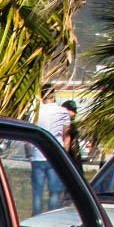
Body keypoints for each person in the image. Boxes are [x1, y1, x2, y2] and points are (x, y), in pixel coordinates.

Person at [30, 84, 70, 214]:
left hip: (37, 155)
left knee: (37, 193)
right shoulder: (63, 111)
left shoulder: (35, 112)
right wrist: (65, 154)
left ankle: (36, 218)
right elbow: (67, 136)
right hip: (55, 154)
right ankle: (51, 217)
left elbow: (29, 133)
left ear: (41, 95)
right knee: (55, 192)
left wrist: (28, 153)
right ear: (54, 95)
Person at [62, 99, 84, 171]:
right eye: (73, 111)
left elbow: (75, 150)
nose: (75, 113)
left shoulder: (72, 126)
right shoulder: (62, 126)